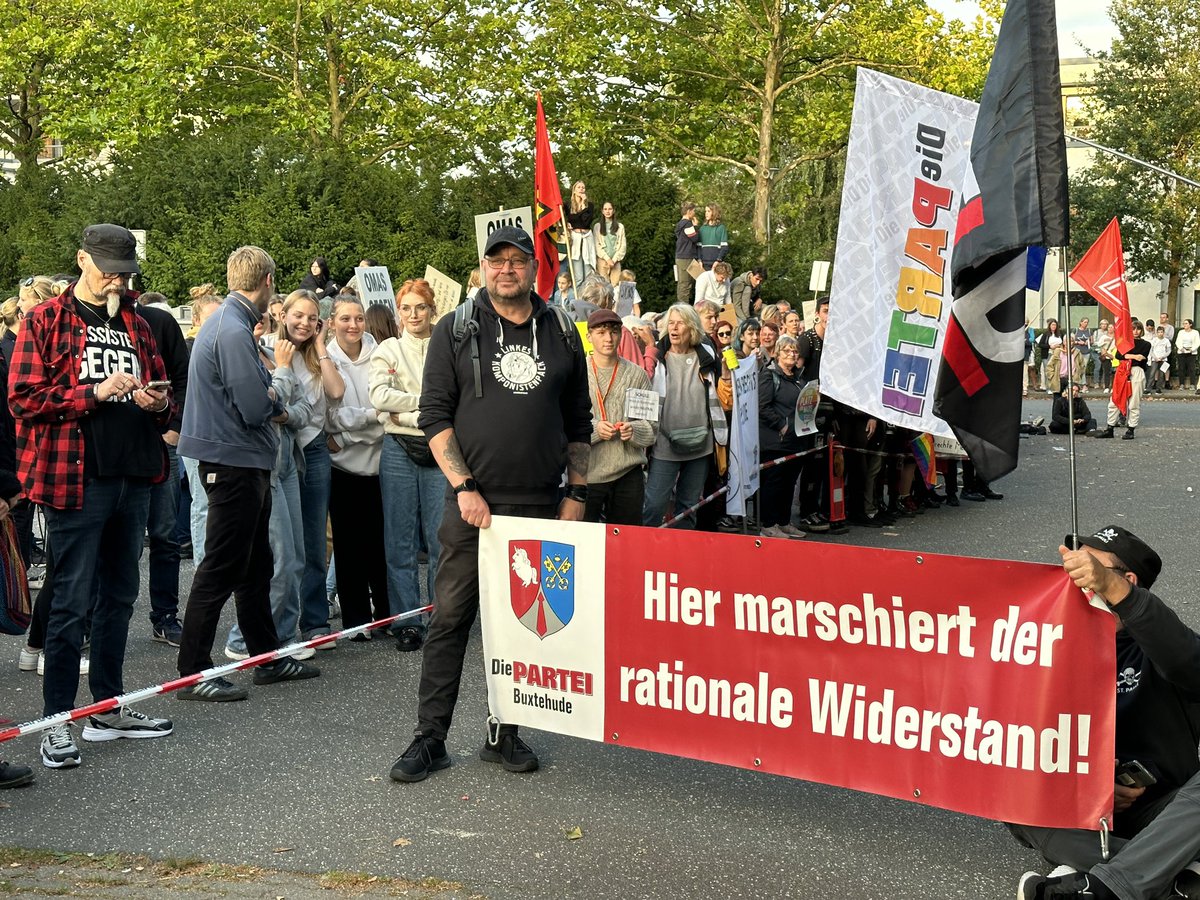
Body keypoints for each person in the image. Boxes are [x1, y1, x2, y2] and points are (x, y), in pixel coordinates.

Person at [389, 226, 590, 783]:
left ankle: (507, 732)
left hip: (543, 504)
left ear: (533, 267)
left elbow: (580, 423)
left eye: (518, 261)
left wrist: (577, 492)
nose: (507, 269)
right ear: (483, 267)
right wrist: (463, 487)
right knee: (451, 619)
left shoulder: (563, 332)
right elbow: (434, 416)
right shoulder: (456, 330)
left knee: (527, 626)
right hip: (473, 504)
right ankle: (430, 738)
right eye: (497, 260)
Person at [10, 224, 175, 768]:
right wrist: (93, 393)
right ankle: (56, 722)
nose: (117, 277)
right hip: (73, 479)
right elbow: (24, 399)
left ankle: (107, 708)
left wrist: (156, 405)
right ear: (81, 259)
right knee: (69, 602)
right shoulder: (45, 319)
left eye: (124, 269)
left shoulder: (137, 321)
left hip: (132, 474)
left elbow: (162, 392)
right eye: (108, 266)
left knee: (120, 597)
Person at [1014, 526, 1200, 900]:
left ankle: (1100, 886)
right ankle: (1168, 879)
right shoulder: (1051, 642)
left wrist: (1116, 593)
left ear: (1127, 579)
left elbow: (1189, 663)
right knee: (1009, 790)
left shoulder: (1159, 641)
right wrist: (1089, 787)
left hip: (1165, 812)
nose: (1074, 574)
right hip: (1083, 811)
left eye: (1089, 567)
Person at [176, 246, 319, 702]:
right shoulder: (233, 328)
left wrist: (270, 391)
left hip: (243, 460)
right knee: (220, 567)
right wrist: (279, 377)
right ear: (269, 281)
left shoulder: (228, 323)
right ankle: (193, 671)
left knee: (257, 566)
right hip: (233, 461)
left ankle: (265, 656)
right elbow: (256, 407)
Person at [369, 280, 444, 652]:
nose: (413, 314)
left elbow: (455, 397)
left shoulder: (448, 344)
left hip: (441, 448)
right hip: (398, 448)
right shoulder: (388, 348)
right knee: (398, 540)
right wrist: (424, 405)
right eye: (406, 308)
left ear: (432, 309)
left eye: (420, 307)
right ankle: (407, 621)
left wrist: (406, 411)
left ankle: (441, 617)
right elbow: (379, 397)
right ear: (398, 312)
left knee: (438, 540)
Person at [326, 295, 388, 640]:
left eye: (359, 318)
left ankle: (388, 615)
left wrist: (348, 432)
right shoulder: (326, 357)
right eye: (346, 319)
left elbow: (387, 413)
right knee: (348, 549)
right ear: (333, 321)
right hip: (343, 468)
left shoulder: (381, 353)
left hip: (380, 466)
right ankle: (356, 622)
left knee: (381, 545)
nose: (353, 325)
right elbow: (330, 418)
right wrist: (364, 426)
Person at [135, 297, 190, 647]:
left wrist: (175, 426)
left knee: (165, 536)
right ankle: (95, 622)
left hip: (160, 447)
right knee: (114, 544)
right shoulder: (89, 325)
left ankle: (165, 616)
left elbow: (185, 379)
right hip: (114, 454)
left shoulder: (159, 322)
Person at [642, 304, 726, 529]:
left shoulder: (707, 357)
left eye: (680, 323)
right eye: (671, 323)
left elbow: (722, 396)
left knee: (688, 508)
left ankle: (681, 557)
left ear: (692, 328)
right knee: (654, 505)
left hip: (701, 445)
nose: (674, 328)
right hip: (665, 446)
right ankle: (646, 554)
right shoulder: (658, 358)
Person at [583, 309, 656, 525]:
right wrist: (595, 430)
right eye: (601, 332)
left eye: (614, 332)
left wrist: (634, 430)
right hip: (587, 473)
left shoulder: (637, 375)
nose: (608, 338)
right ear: (589, 336)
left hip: (628, 472)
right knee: (584, 542)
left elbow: (651, 427)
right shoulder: (576, 373)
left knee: (627, 541)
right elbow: (563, 423)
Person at [758, 335, 807, 539]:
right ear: (778, 353)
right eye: (787, 350)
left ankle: (784, 521)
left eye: (794, 351)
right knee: (773, 483)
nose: (792, 354)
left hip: (797, 440)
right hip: (776, 441)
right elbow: (762, 406)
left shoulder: (798, 378)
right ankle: (769, 524)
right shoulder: (769, 376)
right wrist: (781, 425)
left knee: (789, 483)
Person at [1093, 322, 1151, 441]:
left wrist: (1129, 356)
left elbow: (1141, 357)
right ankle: (1110, 427)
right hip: (1122, 371)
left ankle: (1131, 429)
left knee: (1134, 402)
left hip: (1136, 372)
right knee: (1115, 400)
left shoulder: (1146, 344)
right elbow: (1119, 355)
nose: (1135, 331)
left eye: (1138, 329)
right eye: (1133, 329)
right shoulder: (1124, 342)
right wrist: (1134, 356)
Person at [565, 180, 595, 284]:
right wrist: (567, 223)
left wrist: (583, 205)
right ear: (574, 190)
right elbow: (570, 219)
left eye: (583, 187)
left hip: (587, 237)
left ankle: (588, 298)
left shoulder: (589, 206)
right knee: (578, 277)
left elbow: (586, 221)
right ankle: (578, 299)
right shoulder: (568, 205)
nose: (581, 189)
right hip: (575, 239)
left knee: (588, 274)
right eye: (579, 187)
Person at [593, 201, 626, 286]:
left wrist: (614, 260)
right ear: (602, 211)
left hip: (615, 261)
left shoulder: (620, 227)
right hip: (603, 261)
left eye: (610, 209)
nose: (607, 211)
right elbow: (596, 245)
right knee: (604, 286)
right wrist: (607, 259)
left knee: (616, 285)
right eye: (605, 209)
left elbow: (623, 245)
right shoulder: (597, 227)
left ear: (613, 210)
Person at [674, 202, 701, 304]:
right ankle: (683, 307)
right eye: (693, 211)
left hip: (680, 256)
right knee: (686, 284)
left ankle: (682, 305)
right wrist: (696, 226)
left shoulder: (679, 224)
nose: (694, 213)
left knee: (682, 283)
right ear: (689, 211)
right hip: (686, 257)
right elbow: (694, 238)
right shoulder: (687, 224)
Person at [698, 204, 729, 270]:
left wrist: (718, 261)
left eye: (709, 211)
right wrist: (699, 260)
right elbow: (698, 247)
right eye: (705, 211)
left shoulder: (721, 228)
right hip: (703, 264)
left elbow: (724, 247)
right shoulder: (702, 228)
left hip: (716, 264)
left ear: (714, 212)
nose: (706, 213)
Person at [1038, 319, 1063, 393]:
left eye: (1055, 325)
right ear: (1049, 326)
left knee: (1056, 371)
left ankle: (1055, 387)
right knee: (1048, 371)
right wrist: (1050, 346)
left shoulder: (1060, 334)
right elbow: (1040, 344)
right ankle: (1048, 388)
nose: (1054, 326)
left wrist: (1059, 346)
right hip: (1047, 354)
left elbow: (1064, 342)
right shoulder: (1046, 334)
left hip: (1058, 354)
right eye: (1052, 325)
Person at [1148, 326, 1171, 395]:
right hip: (1155, 359)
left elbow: (1169, 350)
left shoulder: (1166, 341)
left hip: (1163, 359)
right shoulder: (1154, 340)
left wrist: (1163, 356)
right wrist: (1155, 357)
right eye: (1159, 332)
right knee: (1152, 373)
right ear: (1156, 333)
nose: (1160, 334)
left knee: (1161, 374)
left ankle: (1159, 388)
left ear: (1163, 333)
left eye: (1161, 332)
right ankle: (1148, 388)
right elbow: (1151, 350)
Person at [1072, 317, 1094, 388]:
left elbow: (1092, 341)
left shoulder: (1089, 331)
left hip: (1086, 352)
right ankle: (1080, 384)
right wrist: (1078, 342)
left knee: (1083, 368)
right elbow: (1071, 341)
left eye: (1087, 322)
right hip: (1077, 351)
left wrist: (1088, 342)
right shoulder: (1075, 330)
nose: (1086, 324)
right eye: (1084, 322)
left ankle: (1082, 384)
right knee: (1077, 367)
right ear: (1080, 323)